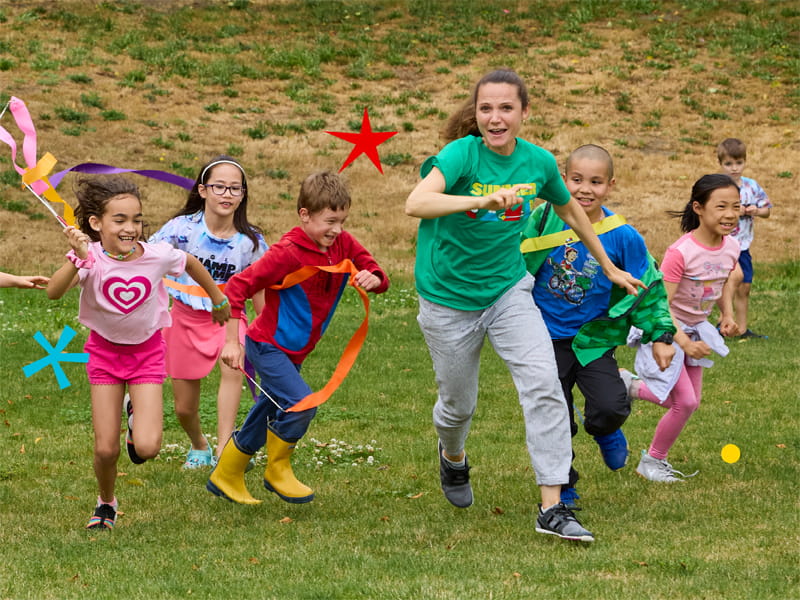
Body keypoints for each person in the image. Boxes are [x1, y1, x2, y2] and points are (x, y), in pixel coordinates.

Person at [404, 69, 643, 543]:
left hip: (508, 292)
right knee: (458, 406)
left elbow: (570, 209)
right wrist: (480, 201)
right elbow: (417, 203)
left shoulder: (538, 162)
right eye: (486, 108)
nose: (495, 118)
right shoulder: (461, 155)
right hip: (448, 300)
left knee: (544, 385)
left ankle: (552, 507)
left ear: (523, 112)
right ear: (476, 114)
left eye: (506, 108)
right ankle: (452, 456)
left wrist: (608, 265)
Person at [46, 175, 230, 530]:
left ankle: (134, 416)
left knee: (147, 449)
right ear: (96, 224)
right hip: (104, 355)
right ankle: (106, 503)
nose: (131, 228)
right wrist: (78, 259)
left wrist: (218, 298)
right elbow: (54, 292)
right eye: (120, 220)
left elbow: (191, 263)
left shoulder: (157, 255)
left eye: (137, 219)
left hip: (146, 355)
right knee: (106, 450)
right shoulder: (89, 258)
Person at [207, 170, 389, 505]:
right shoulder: (287, 252)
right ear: (304, 215)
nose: (337, 230)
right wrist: (232, 341)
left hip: (295, 351)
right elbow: (237, 288)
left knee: (269, 408)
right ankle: (277, 469)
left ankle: (226, 473)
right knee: (302, 404)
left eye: (342, 221)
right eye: (330, 221)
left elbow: (373, 268)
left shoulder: (343, 243)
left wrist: (374, 277)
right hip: (267, 345)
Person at [521, 144, 676, 509]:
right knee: (553, 417)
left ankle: (604, 429)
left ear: (610, 185)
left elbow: (648, 285)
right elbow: (513, 262)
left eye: (595, 182)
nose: (585, 189)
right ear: (563, 180)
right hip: (544, 338)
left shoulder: (622, 235)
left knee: (610, 406)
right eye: (576, 180)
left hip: (594, 340)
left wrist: (661, 334)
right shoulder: (543, 219)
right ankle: (562, 484)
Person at [150, 156, 267, 469]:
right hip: (184, 318)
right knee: (183, 407)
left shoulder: (251, 241)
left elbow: (260, 287)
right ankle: (199, 445)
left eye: (234, 189)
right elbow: (146, 257)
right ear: (203, 190)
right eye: (219, 187)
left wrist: (267, 329)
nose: (227, 194)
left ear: (242, 195)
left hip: (230, 319)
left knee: (233, 370)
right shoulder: (180, 229)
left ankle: (226, 449)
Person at [630, 174, 742, 482]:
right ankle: (652, 461)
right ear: (699, 208)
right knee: (686, 402)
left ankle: (629, 387)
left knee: (690, 402)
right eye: (721, 206)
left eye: (736, 206)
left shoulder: (732, 246)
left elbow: (725, 280)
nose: (730, 214)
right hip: (666, 331)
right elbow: (661, 304)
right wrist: (683, 342)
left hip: (695, 328)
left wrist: (727, 314)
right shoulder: (680, 252)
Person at [716, 138, 772, 338]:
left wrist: (756, 210)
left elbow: (767, 210)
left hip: (743, 246)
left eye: (739, 163)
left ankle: (742, 328)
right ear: (720, 164)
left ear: (745, 162)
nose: (734, 168)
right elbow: (710, 213)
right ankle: (722, 322)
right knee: (729, 283)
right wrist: (733, 212)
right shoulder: (719, 187)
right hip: (723, 245)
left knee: (745, 287)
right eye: (728, 164)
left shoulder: (751, 186)